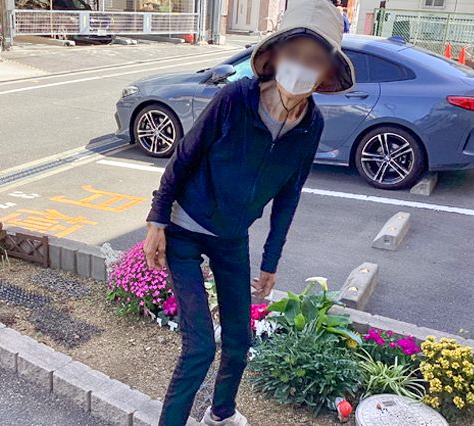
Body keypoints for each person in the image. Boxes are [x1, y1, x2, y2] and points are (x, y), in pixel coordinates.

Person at [143, 0, 354, 425]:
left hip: (232, 238)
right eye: (294, 54)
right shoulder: (235, 98)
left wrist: (271, 260)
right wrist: (157, 219)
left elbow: (290, 193)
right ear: (276, 55)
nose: (301, 67)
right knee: (200, 347)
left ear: (326, 72)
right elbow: (185, 155)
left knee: (239, 340)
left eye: (314, 60)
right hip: (184, 229)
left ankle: (221, 413)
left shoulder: (311, 125)